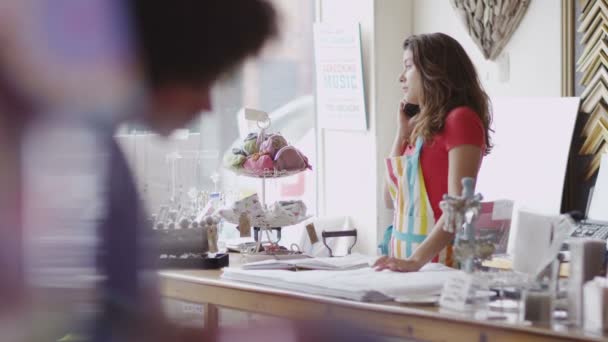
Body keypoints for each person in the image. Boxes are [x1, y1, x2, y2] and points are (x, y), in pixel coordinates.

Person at [374, 32, 493, 272]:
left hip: (439, 267)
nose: (401, 77)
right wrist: (401, 134)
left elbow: (458, 207)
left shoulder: (461, 120)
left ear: (433, 71)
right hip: (407, 266)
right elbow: (389, 199)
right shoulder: (419, 129)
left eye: (408, 67)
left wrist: (416, 261)